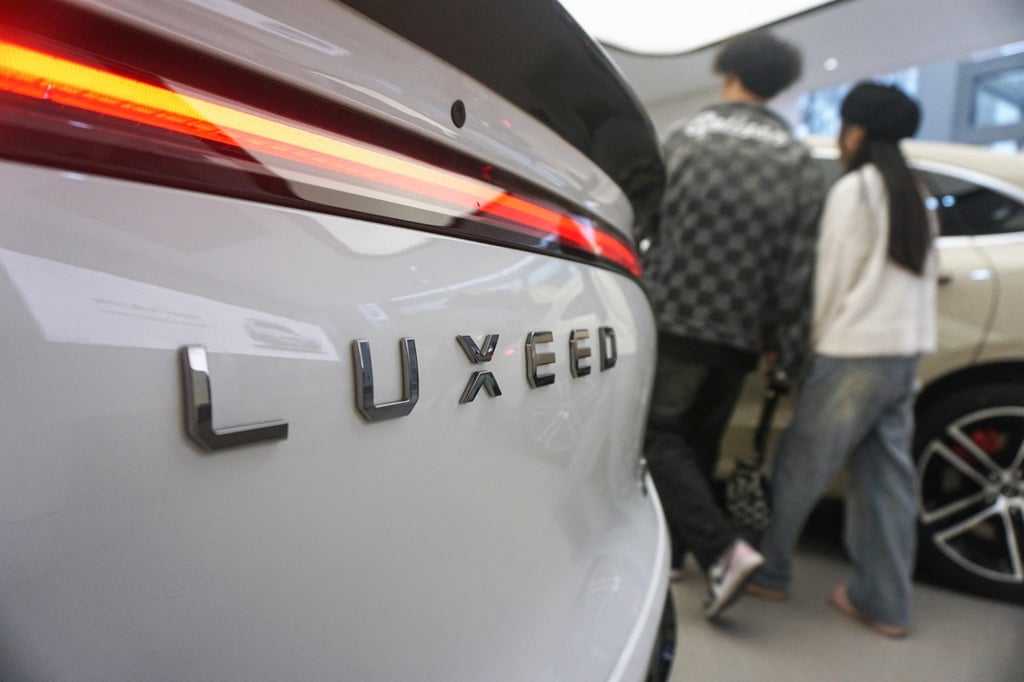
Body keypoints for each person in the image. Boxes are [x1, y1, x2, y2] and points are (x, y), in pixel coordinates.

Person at [642, 31, 823, 619]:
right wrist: (788, 348)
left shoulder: (685, 139)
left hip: (675, 315)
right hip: (743, 332)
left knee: (656, 433)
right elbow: (799, 269)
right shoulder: (795, 159)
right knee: (701, 441)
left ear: (727, 71)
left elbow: (646, 226)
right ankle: (676, 554)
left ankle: (721, 553)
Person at [747, 82, 936, 638]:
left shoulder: (856, 190)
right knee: (887, 482)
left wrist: (816, 344)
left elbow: (831, 278)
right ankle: (885, 603)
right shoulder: (913, 191)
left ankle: (771, 572)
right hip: (903, 353)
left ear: (854, 130)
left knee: (801, 468)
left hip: (852, 351)